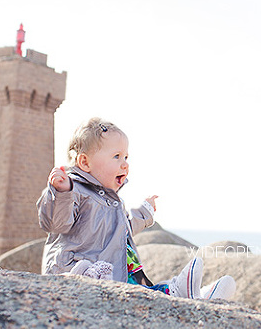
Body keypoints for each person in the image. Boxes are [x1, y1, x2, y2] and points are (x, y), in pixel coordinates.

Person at [36, 118, 235, 300]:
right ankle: (176, 292)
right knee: (109, 282)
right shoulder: (73, 191)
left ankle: (185, 294)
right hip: (77, 269)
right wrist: (61, 193)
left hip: (117, 272)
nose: (125, 165)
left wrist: (144, 214)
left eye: (126, 157)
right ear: (85, 162)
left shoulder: (112, 201)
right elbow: (56, 223)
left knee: (141, 291)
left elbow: (123, 229)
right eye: (117, 156)